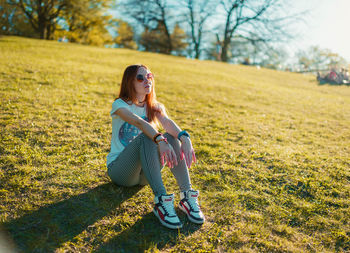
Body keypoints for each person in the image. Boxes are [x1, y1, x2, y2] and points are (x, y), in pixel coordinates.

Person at [106, 64, 205, 229]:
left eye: (149, 76)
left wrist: (184, 137)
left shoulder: (155, 106)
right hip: (121, 171)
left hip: (145, 175)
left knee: (171, 137)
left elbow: (166, 123)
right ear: (130, 82)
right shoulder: (120, 104)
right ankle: (161, 200)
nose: (147, 80)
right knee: (148, 135)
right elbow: (139, 122)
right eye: (140, 77)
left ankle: (187, 196)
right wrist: (159, 140)